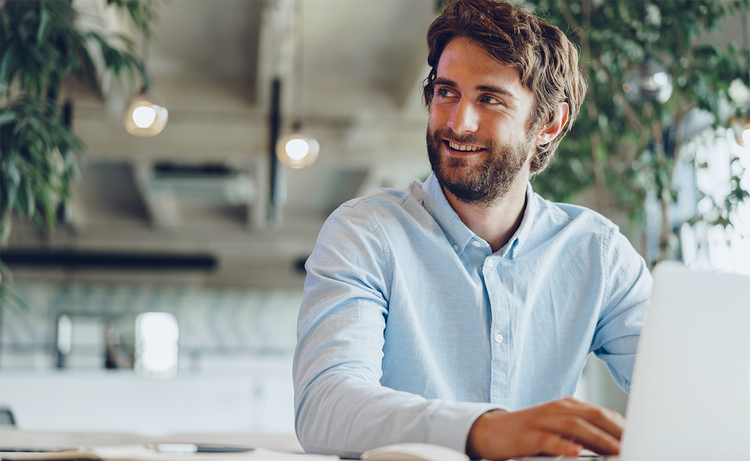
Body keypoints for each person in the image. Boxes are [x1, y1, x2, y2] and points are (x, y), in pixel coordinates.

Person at [293, 1, 652, 459]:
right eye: (447, 92)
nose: (458, 122)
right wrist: (484, 430)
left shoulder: (596, 252)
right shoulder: (366, 233)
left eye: (489, 98)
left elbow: (682, 388)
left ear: (549, 123)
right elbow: (326, 405)